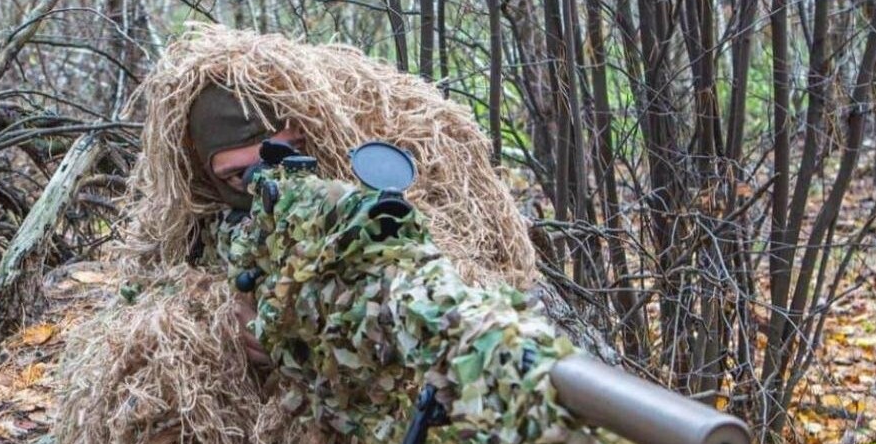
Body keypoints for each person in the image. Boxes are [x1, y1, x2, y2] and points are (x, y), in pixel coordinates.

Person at [53, 24, 541, 443]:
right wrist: (222, 313)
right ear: (206, 174)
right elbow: (143, 288)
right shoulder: (195, 213)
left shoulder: (390, 177)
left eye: (277, 159)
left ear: (302, 138)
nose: (256, 183)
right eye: (233, 177)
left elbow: (436, 286)